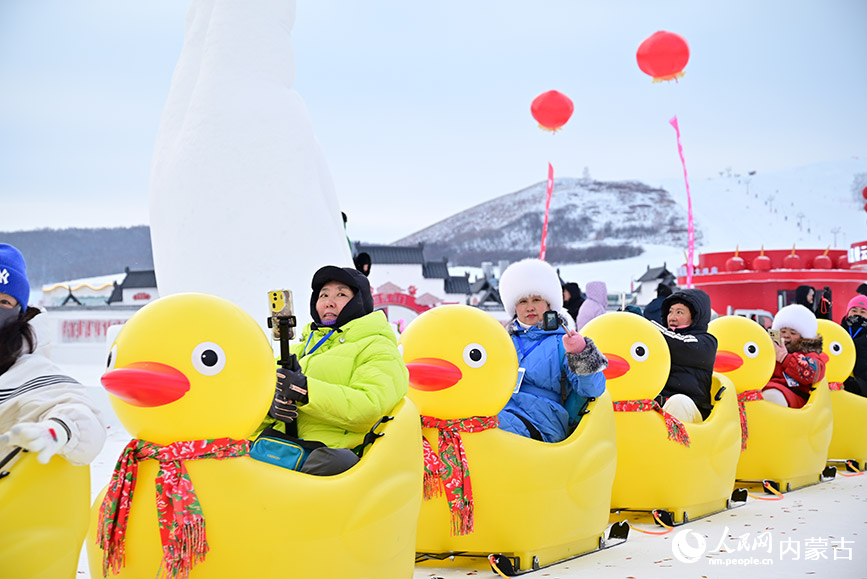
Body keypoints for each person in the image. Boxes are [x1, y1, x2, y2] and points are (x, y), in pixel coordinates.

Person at [254, 265, 407, 475]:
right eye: (323, 295)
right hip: (278, 450)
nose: (329, 302)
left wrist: (306, 391)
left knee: (334, 463)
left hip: (327, 457)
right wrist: (270, 408)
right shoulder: (297, 349)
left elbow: (370, 406)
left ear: (358, 301)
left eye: (341, 294)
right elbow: (252, 397)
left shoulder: (378, 347)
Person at [0, 243, 105, 468]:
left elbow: (82, 414)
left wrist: (59, 430)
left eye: (3, 302)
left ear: (19, 311)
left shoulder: (29, 371)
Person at [496, 259, 607, 443]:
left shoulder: (562, 341)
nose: (530, 307)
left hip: (543, 418)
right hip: (501, 408)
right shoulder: (503, 340)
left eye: (536, 300)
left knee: (488, 428)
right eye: (523, 301)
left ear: (549, 304)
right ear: (514, 307)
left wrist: (581, 353)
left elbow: (593, 389)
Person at [650, 288, 717, 423]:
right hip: (658, 405)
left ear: (695, 316)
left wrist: (645, 324)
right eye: (670, 312)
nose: (672, 317)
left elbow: (680, 344)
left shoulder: (706, 342)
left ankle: (672, 444)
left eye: (679, 312)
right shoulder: (660, 339)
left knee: (678, 402)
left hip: (691, 409)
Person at [762, 304, 825, 408]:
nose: (786, 335)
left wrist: (785, 358)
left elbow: (815, 372)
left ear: (804, 336)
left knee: (772, 397)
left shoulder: (808, 353)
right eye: (783, 331)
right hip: (765, 387)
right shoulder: (770, 349)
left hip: (794, 394)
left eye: (793, 333)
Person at [839, 295, 867, 397]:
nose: (858, 314)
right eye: (854, 310)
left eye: (863, 311)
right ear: (848, 313)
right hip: (838, 385)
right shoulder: (839, 332)